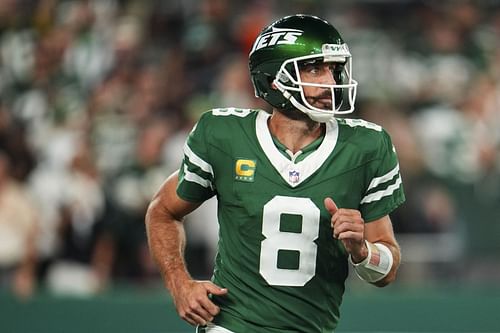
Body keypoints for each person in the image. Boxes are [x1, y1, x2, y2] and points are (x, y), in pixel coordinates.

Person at [146, 14, 405, 333]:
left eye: (333, 69)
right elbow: (162, 211)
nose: (330, 82)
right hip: (231, 326)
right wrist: (179, 283)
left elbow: (387, 270)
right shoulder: (223, 136)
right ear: (273, 79)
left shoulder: (366, 146)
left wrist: (362, 251)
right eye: (314, 68)